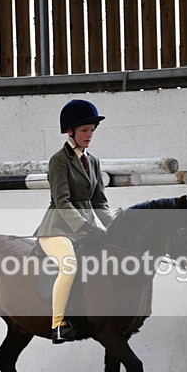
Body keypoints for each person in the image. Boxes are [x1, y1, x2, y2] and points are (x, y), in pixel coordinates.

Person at [35, 99, 114, 344]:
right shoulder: (58, 160)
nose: (89, 135)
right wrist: (84, 226)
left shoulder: (94, 161)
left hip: (85, 228)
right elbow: (62, 201)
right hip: (57, 228)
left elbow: (100, 201)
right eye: (84, 131)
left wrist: (114, 227)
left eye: (91, 130)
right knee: (68, 265)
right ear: (70, 131)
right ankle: (58, 324)